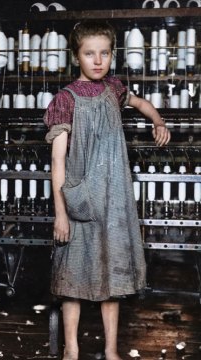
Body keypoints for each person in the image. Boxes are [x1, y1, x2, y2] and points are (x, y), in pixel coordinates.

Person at [44, 21, 170, 360]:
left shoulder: (114, 89)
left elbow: (141, 103)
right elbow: (58, 163)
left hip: (113, 202)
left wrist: (158, 122)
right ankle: (71, 350)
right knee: (73, 281)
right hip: (80, 201)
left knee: (111, 279)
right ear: (75, 57)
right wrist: (61, 215)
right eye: (89, 53)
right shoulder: (65, 100)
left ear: (112, 55)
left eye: (104, 53)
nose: (97, 60)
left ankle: (111, 351)